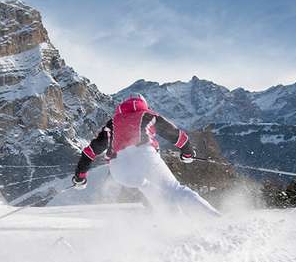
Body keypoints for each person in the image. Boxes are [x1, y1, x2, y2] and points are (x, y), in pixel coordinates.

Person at [72, 93, 221, 217]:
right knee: (174, 189)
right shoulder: (148, 115)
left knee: (147, 186)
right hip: (143, 155)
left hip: (119, 169)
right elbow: (175, 135)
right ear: (143, 104)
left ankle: (174, 224)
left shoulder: (112, 123)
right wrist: (187, 152)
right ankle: (214, 217)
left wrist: (80, 177)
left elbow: (89, 152)